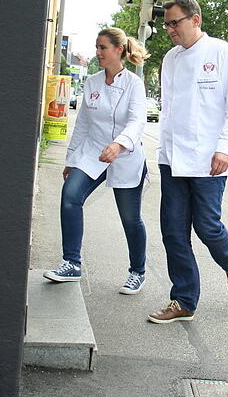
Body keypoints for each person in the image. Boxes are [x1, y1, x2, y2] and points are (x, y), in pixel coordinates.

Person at [147, 0, 228, 324]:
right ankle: (184, 300)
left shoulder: (220, 52)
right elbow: (170, 109)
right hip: (173, 157)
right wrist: (163, 150)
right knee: (173, 230)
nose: (170, 29)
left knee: (206, 225)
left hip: (209, 158)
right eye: (167, 24)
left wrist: (226, 147)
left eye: (175, 22)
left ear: (196, 20)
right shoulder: (170, 59)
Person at [44, 27, 150, 296]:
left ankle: (137, 271)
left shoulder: (134, 85)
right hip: (93, 151)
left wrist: (119, 143)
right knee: (70, 196)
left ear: (118, 50)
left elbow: (138, 121)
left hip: (124, 154)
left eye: (103, 47)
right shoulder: (91, 82)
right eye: (97, 47)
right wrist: (72, 158)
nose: (98, 52)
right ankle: (71, 263)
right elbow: (82, 124)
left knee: (130, 218)